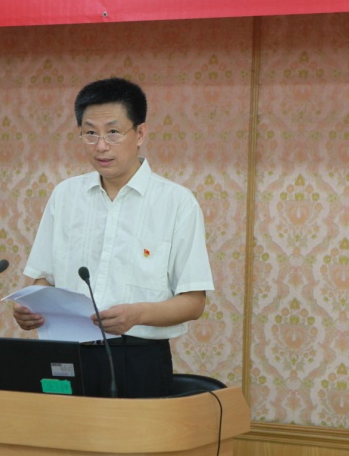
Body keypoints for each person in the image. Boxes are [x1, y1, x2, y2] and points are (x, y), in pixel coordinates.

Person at [12, 77, 214, 398]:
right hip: (67, 355)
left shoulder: (176, 203)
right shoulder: (65, 195)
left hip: (138, 360)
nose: (101, 146)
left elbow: (193, 302)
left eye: (113, 132)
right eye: (90, 133)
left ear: (140, 134)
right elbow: (42, 279)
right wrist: (32, 307)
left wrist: (137, 314)